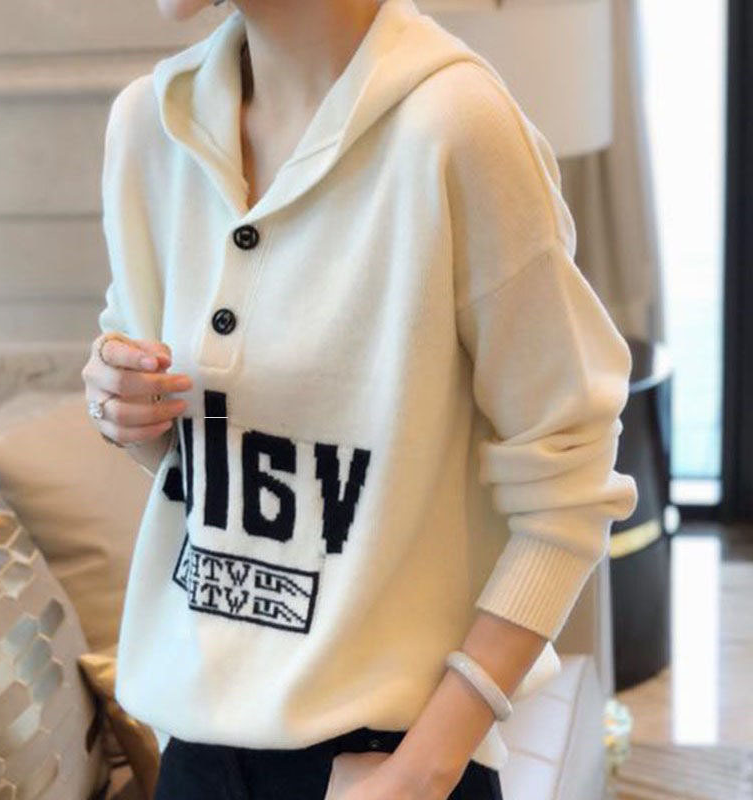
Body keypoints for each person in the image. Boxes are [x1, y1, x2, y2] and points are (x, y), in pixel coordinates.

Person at [80, 0, 639, 798]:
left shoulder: (455, 129)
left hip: (388, 762)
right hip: (196, 755)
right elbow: (187, 462)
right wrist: (122, 406)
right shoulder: (149, 126)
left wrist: (426, 766)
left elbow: (571, 480)